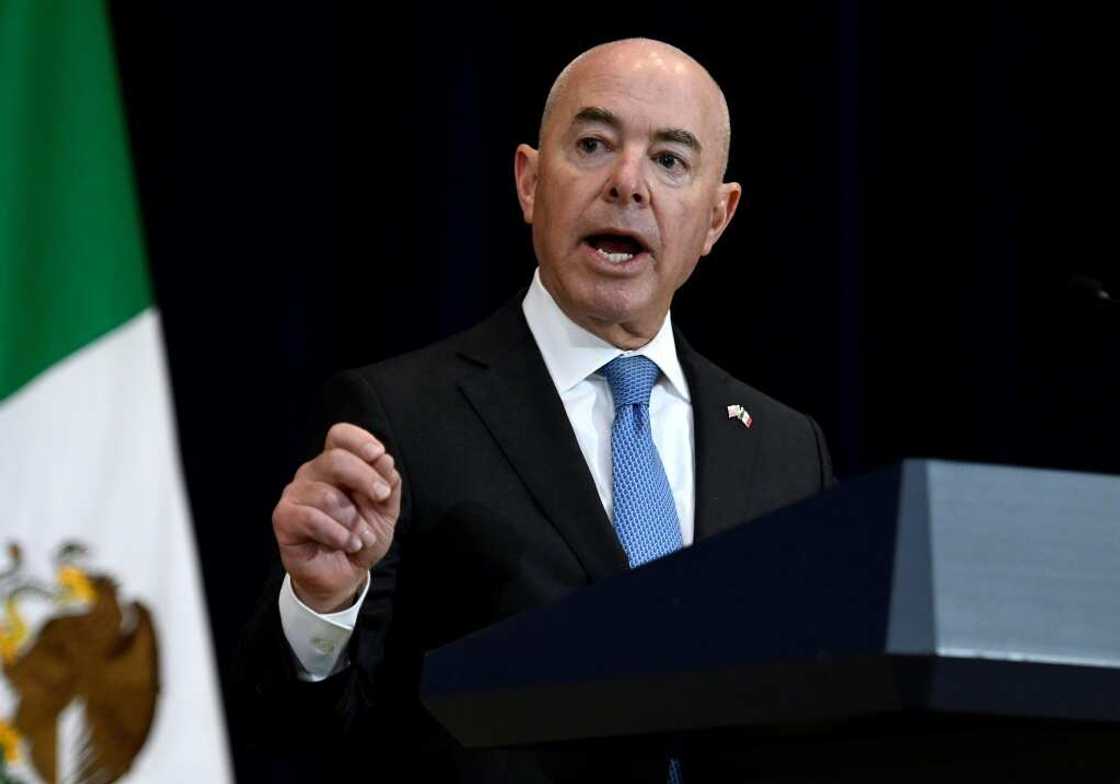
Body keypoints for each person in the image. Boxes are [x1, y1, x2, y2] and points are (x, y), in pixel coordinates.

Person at [237, 38, 833, 782]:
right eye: (593, 144)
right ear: (529, 181)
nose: (627, 183)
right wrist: (324, 604)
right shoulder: (403, 414)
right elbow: (295, 729)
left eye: (670, 161)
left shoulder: (784, 448)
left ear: (717, 218)